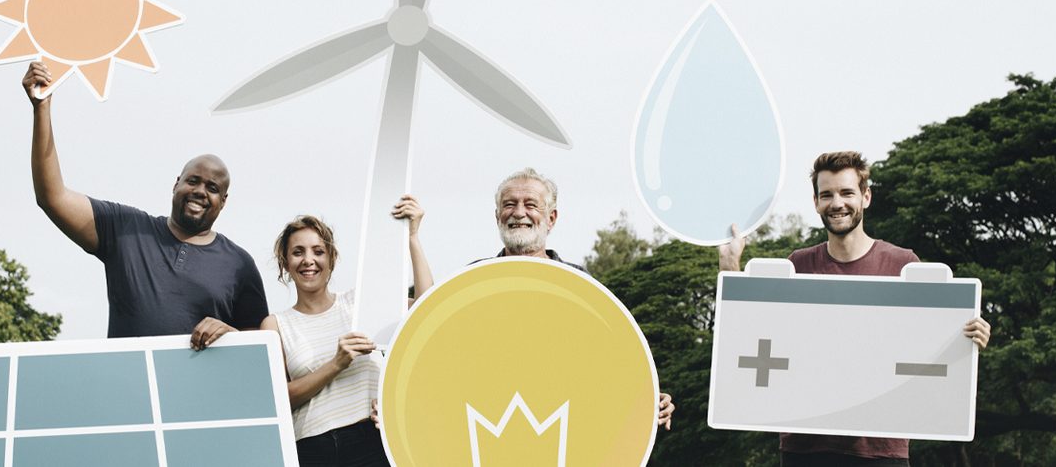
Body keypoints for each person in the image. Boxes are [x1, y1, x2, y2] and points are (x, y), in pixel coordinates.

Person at [718, 151, 992, 466]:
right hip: (804, 450)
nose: (837, 203)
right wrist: (729, 265)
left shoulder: (903, 265)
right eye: (827, 195)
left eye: (847, 193)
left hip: (880, 449)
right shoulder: (798, 265)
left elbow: (930, 350)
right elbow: (748, 333)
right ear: (816, 202)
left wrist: (969, 338)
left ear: (866, 196)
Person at [22, 62, 267, 349]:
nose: (200, 191)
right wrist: (42, 108)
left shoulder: (238, 264)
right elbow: (52, 197)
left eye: (212, 188)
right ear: (176, 184)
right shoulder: (126, 229)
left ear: (223, 202)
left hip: (199, 393)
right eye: (193, 181)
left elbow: (260, 349)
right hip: (129, 388)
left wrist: (230, 334)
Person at [416, 168, 676, 428]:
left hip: (559, 422)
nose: (519, 213)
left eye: (531, 204)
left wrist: (649, 396)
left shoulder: (580, 284)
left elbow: (610, 357)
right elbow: (436, 336)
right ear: (497, 217)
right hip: (488, 419)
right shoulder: (472, 280)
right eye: (509, 205)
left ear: (551, 218)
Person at [260, 197, 430, 467]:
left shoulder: (360, 302)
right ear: (285, 262)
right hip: (313, 448)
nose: (308, 260)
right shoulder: (275, 324)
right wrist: (337, 363)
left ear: (331, 258)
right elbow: (278, 399)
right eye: (298, 252)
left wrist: (413, 237)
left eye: (318, 251)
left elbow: (427, 308)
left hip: (372, 440)